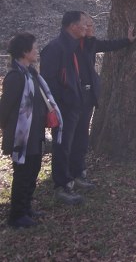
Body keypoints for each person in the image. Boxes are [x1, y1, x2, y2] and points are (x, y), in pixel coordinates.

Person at [1, 33, 62, 227]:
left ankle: (26, 208)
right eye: (34, 48)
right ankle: (16, 216)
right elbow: (5, 110)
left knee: (33, 172)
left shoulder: (32, 75)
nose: (37, 51)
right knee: (22, 175)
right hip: (21, 137)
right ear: (24, 51)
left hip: (35, 135)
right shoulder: (15, 77)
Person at [74, 15, 136, 187]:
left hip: (88, 97)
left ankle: (79, 171)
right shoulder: (70, 46)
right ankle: (68, 176)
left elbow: (109, 45)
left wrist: (128, 40)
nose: (91, 28)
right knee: (71, 138)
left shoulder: (91, 43)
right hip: (73, 97)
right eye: (88, 25)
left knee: (82, 137)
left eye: (92, 24)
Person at [39, 11, 90, 204]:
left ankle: (76, 175)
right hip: (63, 108)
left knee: (78, 142)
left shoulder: (75, 46)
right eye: (83, 23)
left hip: (77, 105)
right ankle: (62, 185)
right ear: (72, 26)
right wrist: (62, 102)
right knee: (62, 146)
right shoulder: (55, 48)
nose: (86, 26)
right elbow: (48, 82)